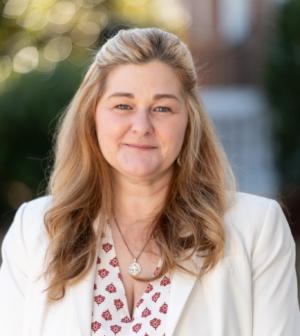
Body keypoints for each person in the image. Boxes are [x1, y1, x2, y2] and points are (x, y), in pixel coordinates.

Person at [0, 27, 299, 336]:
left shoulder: (257, 229)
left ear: (189, 122)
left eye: (162, 108)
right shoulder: (34, 230)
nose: (141, 126)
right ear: (92, 117)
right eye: (123, 106)